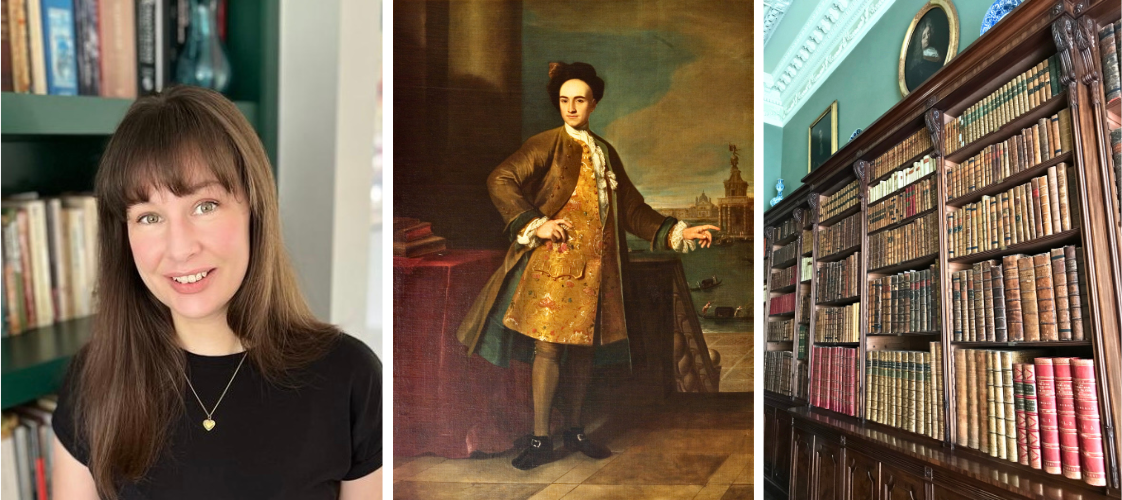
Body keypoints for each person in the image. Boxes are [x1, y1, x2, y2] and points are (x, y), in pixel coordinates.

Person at [47, 86, 383, 499]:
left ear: (253, 209)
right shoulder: (94, 378)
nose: (180, 247)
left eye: (204, 206)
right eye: (149, 216)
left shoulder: (350, 377)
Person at [452, 62, 718, 470]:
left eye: (579, 100)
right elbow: (500, 178)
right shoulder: (547, 143)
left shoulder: (605, 152)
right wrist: (536, 223)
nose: (571, 108)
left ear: (594, 103)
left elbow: (632, 210)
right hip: (553, 267)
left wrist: (681, 231)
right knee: (549, 348)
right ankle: (542, 438)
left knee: (581, 352)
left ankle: (574, 429)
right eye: (564, 101)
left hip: (598, 269)